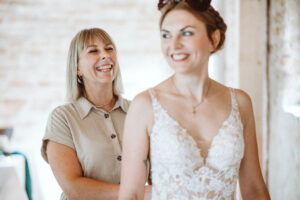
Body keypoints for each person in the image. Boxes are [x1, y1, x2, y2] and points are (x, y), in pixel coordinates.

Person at [119, 0, 271, 199]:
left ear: (213, 39)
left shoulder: (240, 103)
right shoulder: (145, 105)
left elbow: (254, 188)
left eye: (187, 33)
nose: (174, 45)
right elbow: (131, 194)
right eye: (166, 35)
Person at [41, 28, 151, 200]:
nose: (105, 55)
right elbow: (73, 187)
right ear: (77, 68)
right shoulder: (62, 118)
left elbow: (160, 175)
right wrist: (135, 194)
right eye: (93, 51)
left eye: (109, 49)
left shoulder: (140, 111)